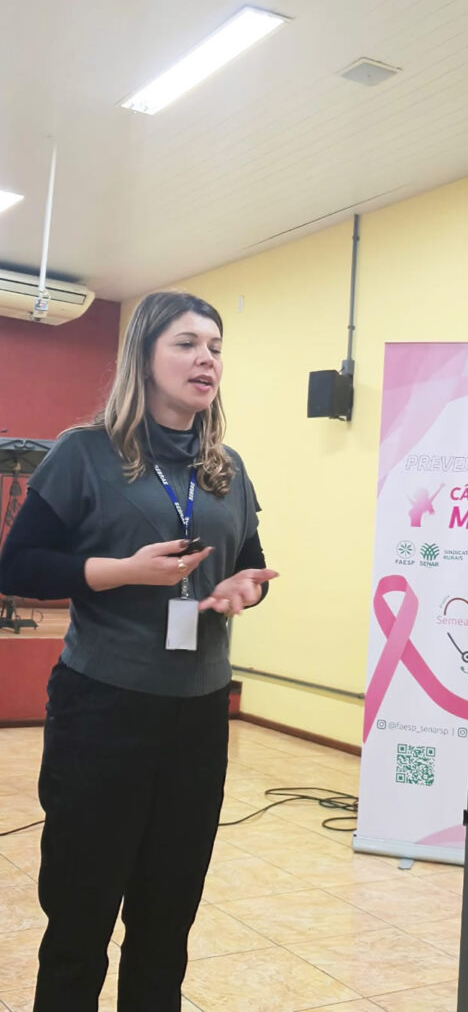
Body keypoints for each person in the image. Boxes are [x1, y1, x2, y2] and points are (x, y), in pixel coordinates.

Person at [0, 291, 277, 1012]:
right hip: (104, 709)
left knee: (167, 918)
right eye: (186, 343)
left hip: (198, 717)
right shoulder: (84, 453)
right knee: (81, 914)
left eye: (215, 346)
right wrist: (121, 571)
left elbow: (249, 563)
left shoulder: (227, 468)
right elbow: (18, 565)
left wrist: (243, 591)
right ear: (144, 358)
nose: (206, 359)